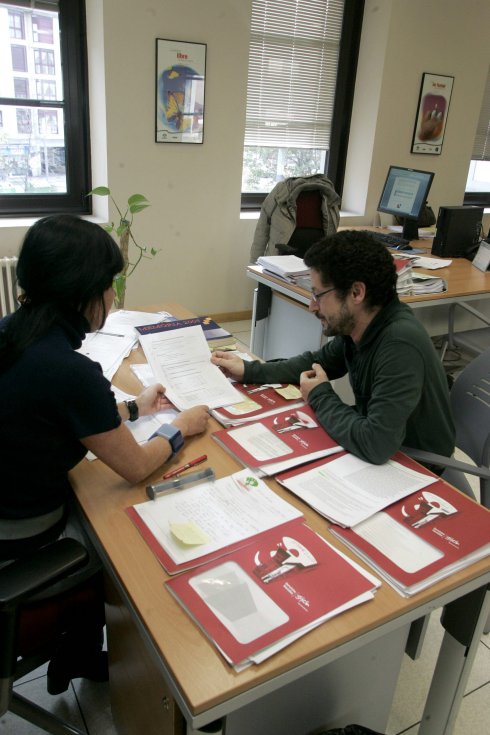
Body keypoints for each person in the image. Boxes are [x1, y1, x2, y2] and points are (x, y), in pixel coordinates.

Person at [0, 214, 209, 692]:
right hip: (20, 546)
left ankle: (73, 654)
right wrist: (180, 427)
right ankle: (80, 655)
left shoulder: (12, 331)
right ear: (84, 294)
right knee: (128, 545)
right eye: (110, 286)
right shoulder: (68, 370)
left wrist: (132, 408)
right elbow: (134, 467)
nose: (114, 297)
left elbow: (45, 410)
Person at [213, 230, 455, 466]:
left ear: (356, 292)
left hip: (417, 464)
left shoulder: (399, 344)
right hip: (382, 444)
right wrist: (249, 370)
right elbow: (315, 363)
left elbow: (376, 444)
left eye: (318, 295)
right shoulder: (362, 325)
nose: (312, 306)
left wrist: (319, 394)